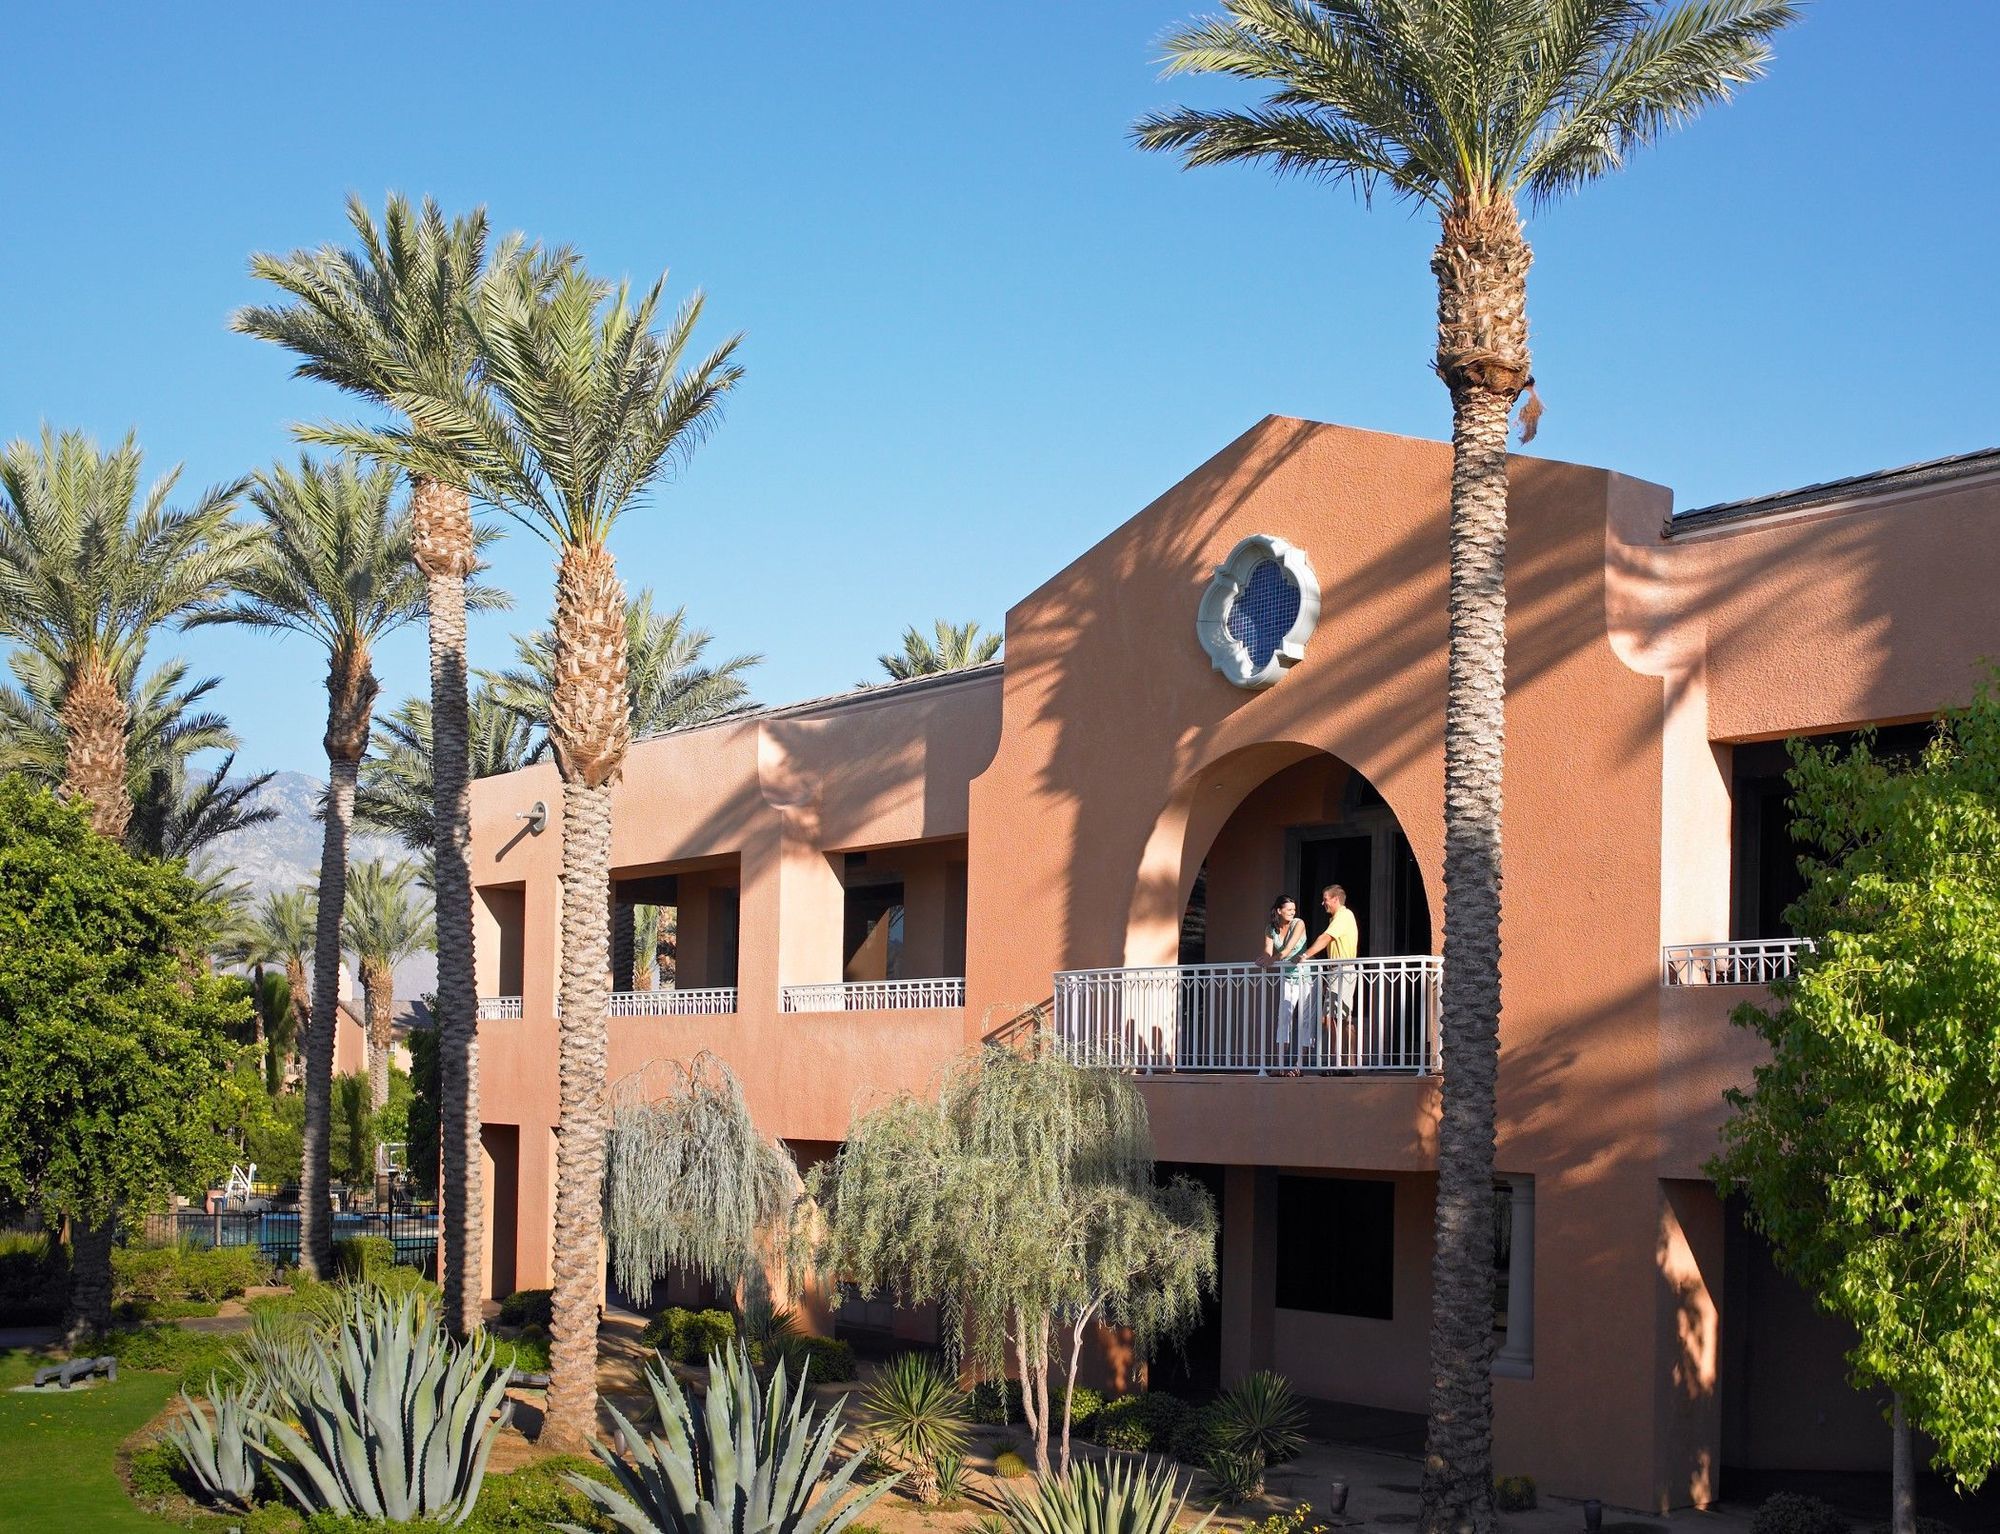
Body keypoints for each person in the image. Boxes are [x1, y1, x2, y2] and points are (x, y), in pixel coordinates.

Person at [1299, 884, 1361, 1066]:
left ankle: (1346, 1063)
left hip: (1343, 971)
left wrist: (1304, 955)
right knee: (1335, 1018)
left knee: (1338, 1017)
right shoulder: (1338, 917)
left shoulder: (1344, 915)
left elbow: (1325, 938)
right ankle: (1340, 1062)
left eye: (1326, 899)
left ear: (1335, 899)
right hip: (1336, 971)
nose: (1323, 903)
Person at [1262, 895, 1310, 1073]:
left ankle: (1298, 1066)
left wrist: (1272, 960)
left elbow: (1289, 949)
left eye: (1294, 909)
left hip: (1305, 977)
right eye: (1289, 909)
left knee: (1305, 1020)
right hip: (1287, 978)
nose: (1292, 912)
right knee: (1283, 1018)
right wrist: (1264, 959)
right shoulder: (1270, 928)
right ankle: (1281, 1064)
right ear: (1278, 911)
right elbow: (1267, 951)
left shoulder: (1299, 923)